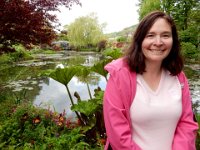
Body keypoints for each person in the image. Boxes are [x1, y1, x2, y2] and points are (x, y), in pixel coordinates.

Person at [103, 11, 199, 150]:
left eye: (165, 35)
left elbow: (187, 123)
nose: (158, 42)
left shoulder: (179, 76)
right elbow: (118, 136)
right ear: (140, 39)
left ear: (173, 40)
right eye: (150, 35)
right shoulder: (120, 75)